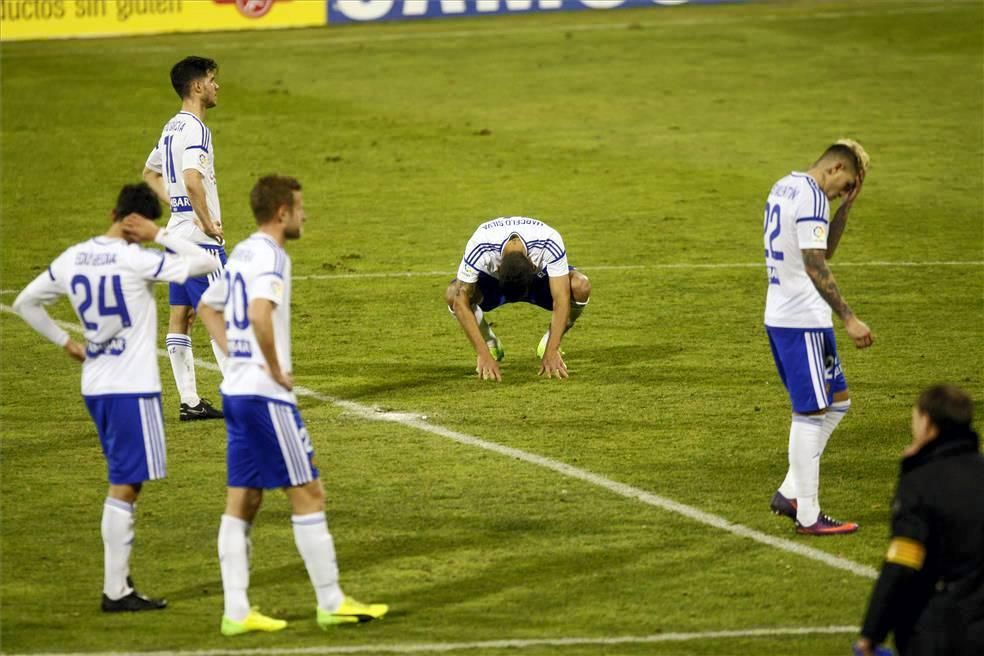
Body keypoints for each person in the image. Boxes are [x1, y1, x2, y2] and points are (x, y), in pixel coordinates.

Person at [11, 183, 221, 612]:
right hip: (131, 386)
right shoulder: (137, 260)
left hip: (96, 384)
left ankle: (118, 583)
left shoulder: (73, 257)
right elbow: (203, 260)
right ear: (142, 223)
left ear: (113, 211)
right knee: (125, 485)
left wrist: (65, 342)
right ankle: (116, 590)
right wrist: (159, 236)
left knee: (125, 480)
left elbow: (25, 302)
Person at [197, 175, 388, 636]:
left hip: (238, 391)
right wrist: (272, 367)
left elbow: (207, 305)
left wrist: (236, 355)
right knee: (308, 492)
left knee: (244, 499)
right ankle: (331, 602)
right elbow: (261, 314)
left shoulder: (241, 251)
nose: (305, 214)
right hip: (266, 395)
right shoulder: (272, 256)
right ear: (281, 212)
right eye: (300, 207)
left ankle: (237, 611)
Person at [763, 139, 874, 535]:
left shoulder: (785, 186)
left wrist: (845, 209)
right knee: (809, 412)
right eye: (845, 187)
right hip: (801, 320)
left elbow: (823, 249)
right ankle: (807, 514)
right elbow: (815, 264)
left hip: (788, 315)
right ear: (835, 169)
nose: (841, 194)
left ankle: (792, 489)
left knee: (838, 403)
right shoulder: (811, 197)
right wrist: (849, 317)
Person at [855, 385, 984, 656]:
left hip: (946, 632)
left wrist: (870, 635)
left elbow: (902, 565)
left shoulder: (921, 483)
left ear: (928, 423)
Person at [143, 55, 226, 421]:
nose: (216, 86)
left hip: (177, 236)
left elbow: (149, 174)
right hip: (198, 241)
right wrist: (206, 221)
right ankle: (246, 396)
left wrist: (178, 207)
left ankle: (190, 401)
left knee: (182, 315)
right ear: (197, 86)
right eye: (211, 79)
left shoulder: (171, 128)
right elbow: (193, 180)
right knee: (222, 314)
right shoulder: (196, 129)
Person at [444, 216, 591, 382]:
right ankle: (490, 342)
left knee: (580, 285)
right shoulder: (480, 245)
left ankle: (550, 338)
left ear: (533, 265)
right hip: (494, 284)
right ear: (497, 268)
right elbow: (459, 301)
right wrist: (482, 353)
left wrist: (552, 348)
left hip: (536, 282)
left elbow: (561, 298)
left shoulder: (549, 241)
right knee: (452, 293)